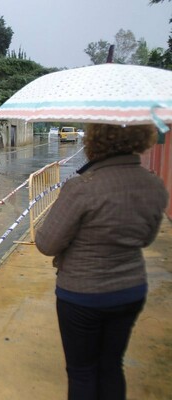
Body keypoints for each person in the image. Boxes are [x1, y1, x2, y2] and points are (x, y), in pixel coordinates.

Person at [35, 123, 169, 400]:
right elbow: (145, 239)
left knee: (82, 371)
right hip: (130, 291)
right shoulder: (154, 184)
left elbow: (47, 244)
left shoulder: (82, 187)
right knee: (112, 366)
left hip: (81, 295)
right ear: (140, 139)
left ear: (95, 140)